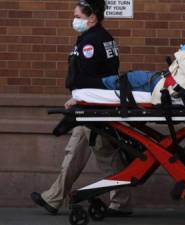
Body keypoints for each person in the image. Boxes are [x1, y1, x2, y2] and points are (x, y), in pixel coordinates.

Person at [31, 0, 132, 217]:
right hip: (97, 105)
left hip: (91, 107)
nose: (74, 20)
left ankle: (119, 202)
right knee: (88, 152)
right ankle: (55, 198)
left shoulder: (91, 42)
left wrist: (78, 98)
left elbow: (89, 77)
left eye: (78, 16)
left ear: (92, 17)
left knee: (96, 153)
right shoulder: (105, 38)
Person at [101, 0, 185, 105]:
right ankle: (97, 83)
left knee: (128, 79)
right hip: (172, 80)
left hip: (172, 87)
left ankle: (93, 84)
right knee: (131, 78)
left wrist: (183, 52)